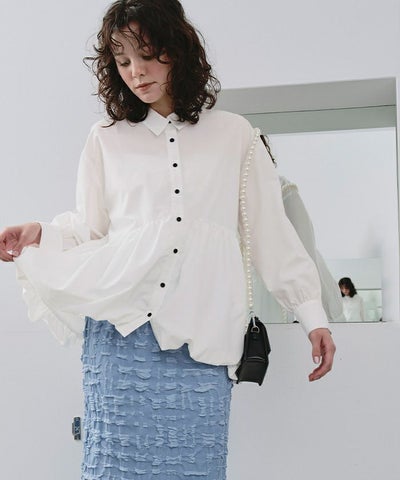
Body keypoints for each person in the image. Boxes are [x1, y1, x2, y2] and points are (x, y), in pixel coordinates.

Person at [0, 1, 336, 478]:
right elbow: (94, 232)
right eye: (123, 61)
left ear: (177, 51)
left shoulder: (235, 134)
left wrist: (312, 315)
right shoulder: (106, 138)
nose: (136, 73)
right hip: (122, 334)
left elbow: (269, 231)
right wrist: (42, 233)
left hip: (205, 334)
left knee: (197, 465)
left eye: (147, 55)